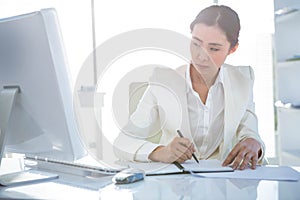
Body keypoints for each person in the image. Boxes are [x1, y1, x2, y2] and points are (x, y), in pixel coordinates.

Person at [113, 5, 265, 170]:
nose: (201, 56)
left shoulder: (242, 80)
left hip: (223, 180)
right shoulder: (163, 82)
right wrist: (161, 152)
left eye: (213, 48)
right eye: (196, 44)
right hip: (175, 183)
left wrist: (253, 143)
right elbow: (122, 142)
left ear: (232, 49)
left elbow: (250, 132)